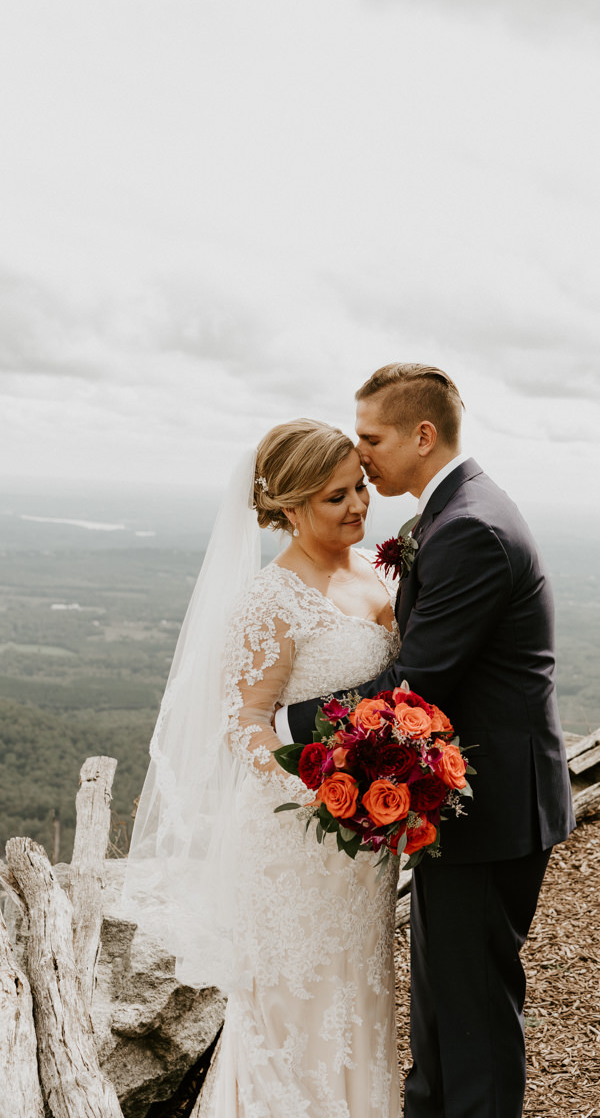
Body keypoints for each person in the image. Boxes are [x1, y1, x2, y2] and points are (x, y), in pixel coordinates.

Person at [277, 364, 576, 1118]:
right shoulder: (454, 513)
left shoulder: (470, 527)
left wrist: (287, 724)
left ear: (422, 434)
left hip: (491, 810)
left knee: (472, 1015)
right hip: (466, 806)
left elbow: (416, 687)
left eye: (371, 438)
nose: (361, 452)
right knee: (445, 1003)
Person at [123, 419, 402, 1117]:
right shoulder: (268, 599)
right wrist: (310, 786)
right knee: (291, 1012)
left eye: (361, 486)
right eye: (337, 496)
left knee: (355, 995)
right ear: (288, 505)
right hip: (295, 841)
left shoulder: (375, 572)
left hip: (364, 848)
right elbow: (241, 721)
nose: (359, 505)